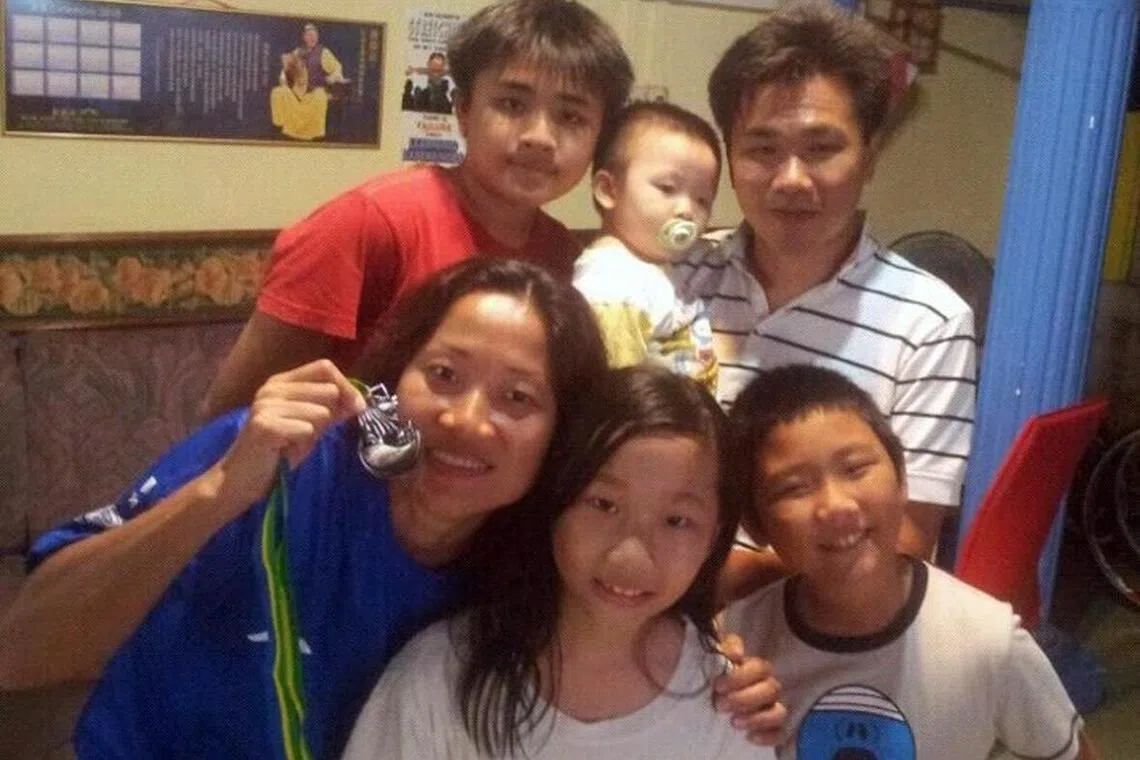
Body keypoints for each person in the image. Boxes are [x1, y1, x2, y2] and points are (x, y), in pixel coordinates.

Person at [0, 261, 783, 758]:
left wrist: (721, 671)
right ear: (390, 379)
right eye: (442, 374)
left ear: (560, 441)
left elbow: (638, 573)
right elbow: (23, 654)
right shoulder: (281, 459)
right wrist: (218, 493)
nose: (466, 420)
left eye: (518, 398)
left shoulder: (526, 555)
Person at [201, 0, 635, 420]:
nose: (539, 136)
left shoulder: (567, 259)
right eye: (511, 105)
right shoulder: (368, 223)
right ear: (463, 111)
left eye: (571, 117)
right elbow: (233, 418)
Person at [672, 1, 977, 597]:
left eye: (820, 148)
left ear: (870, 156)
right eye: (762, 149)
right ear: (730, 159)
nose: (791, 178)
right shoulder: (672, 279)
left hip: (803, 631)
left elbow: (902, 544)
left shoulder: (930, 321)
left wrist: (701, 577)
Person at [343, 366, 777, 759]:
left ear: (715, 534)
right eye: (603, 504)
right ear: (557, 498)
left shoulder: (729, 702)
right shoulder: (441, 674)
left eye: (677, 521)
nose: (630, 555)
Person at [720, 364, 1096, 760]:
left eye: (856, 469)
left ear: (902, 478)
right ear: (754, 524)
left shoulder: (988, 642)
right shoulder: (737, 641)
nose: (836, 505)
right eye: (794, 487)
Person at [573, 101, 721, 392]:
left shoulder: (650, 267)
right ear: (608, 190)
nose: (687, 210)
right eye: (667, 188)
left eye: (703, 200)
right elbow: (615, 392)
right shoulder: (611, 284)